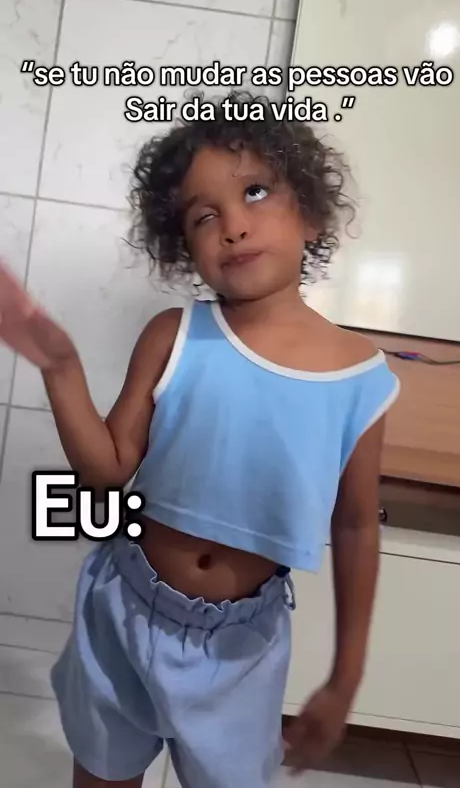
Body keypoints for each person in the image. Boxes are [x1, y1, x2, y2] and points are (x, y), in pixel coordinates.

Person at [0, 91, 399, 788]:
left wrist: (346, 675)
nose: (233, 226)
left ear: (310, 213)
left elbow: (357, 525)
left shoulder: (360, 379)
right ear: (185, 246)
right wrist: (60, 366)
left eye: (254, 192)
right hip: (123, 609)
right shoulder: (174, 335)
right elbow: (107, 473)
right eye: (203, 216)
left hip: (240, 650)